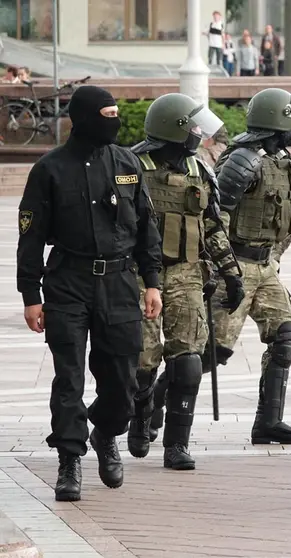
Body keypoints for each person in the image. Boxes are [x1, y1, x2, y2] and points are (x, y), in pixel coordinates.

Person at [16, 85, 163, 501]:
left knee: (122, 381)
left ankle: (105, 432)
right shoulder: (49, 170)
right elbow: (30, 239)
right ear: (83, 118)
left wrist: (152, 282)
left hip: (119, 283)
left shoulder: (127, 163)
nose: (115, 121)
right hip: (68, 283)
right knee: (69, 378)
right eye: (108, 113)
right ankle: (69, 460)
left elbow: (146, 229)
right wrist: (30, 294)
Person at [127, 94, 245, 470]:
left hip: (186, 272)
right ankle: (141, 414)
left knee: (188, 359)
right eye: (193, 127)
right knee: (144, 360)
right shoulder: (132, 169)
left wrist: (230, 271)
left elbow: (211, 225)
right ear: (174, 129)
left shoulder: (199, 170)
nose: (199, 134)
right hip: (140, 275)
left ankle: (177, 444)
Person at [210, 88, 291, 445]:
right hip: (237, 263)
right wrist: (224, 271)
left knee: (284, 338)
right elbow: (215, 216)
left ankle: (268, 422)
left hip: (266, 265)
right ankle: (152, 411)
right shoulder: (242, 160)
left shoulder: (281, 161)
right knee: (210, 352)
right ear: (278, 121)